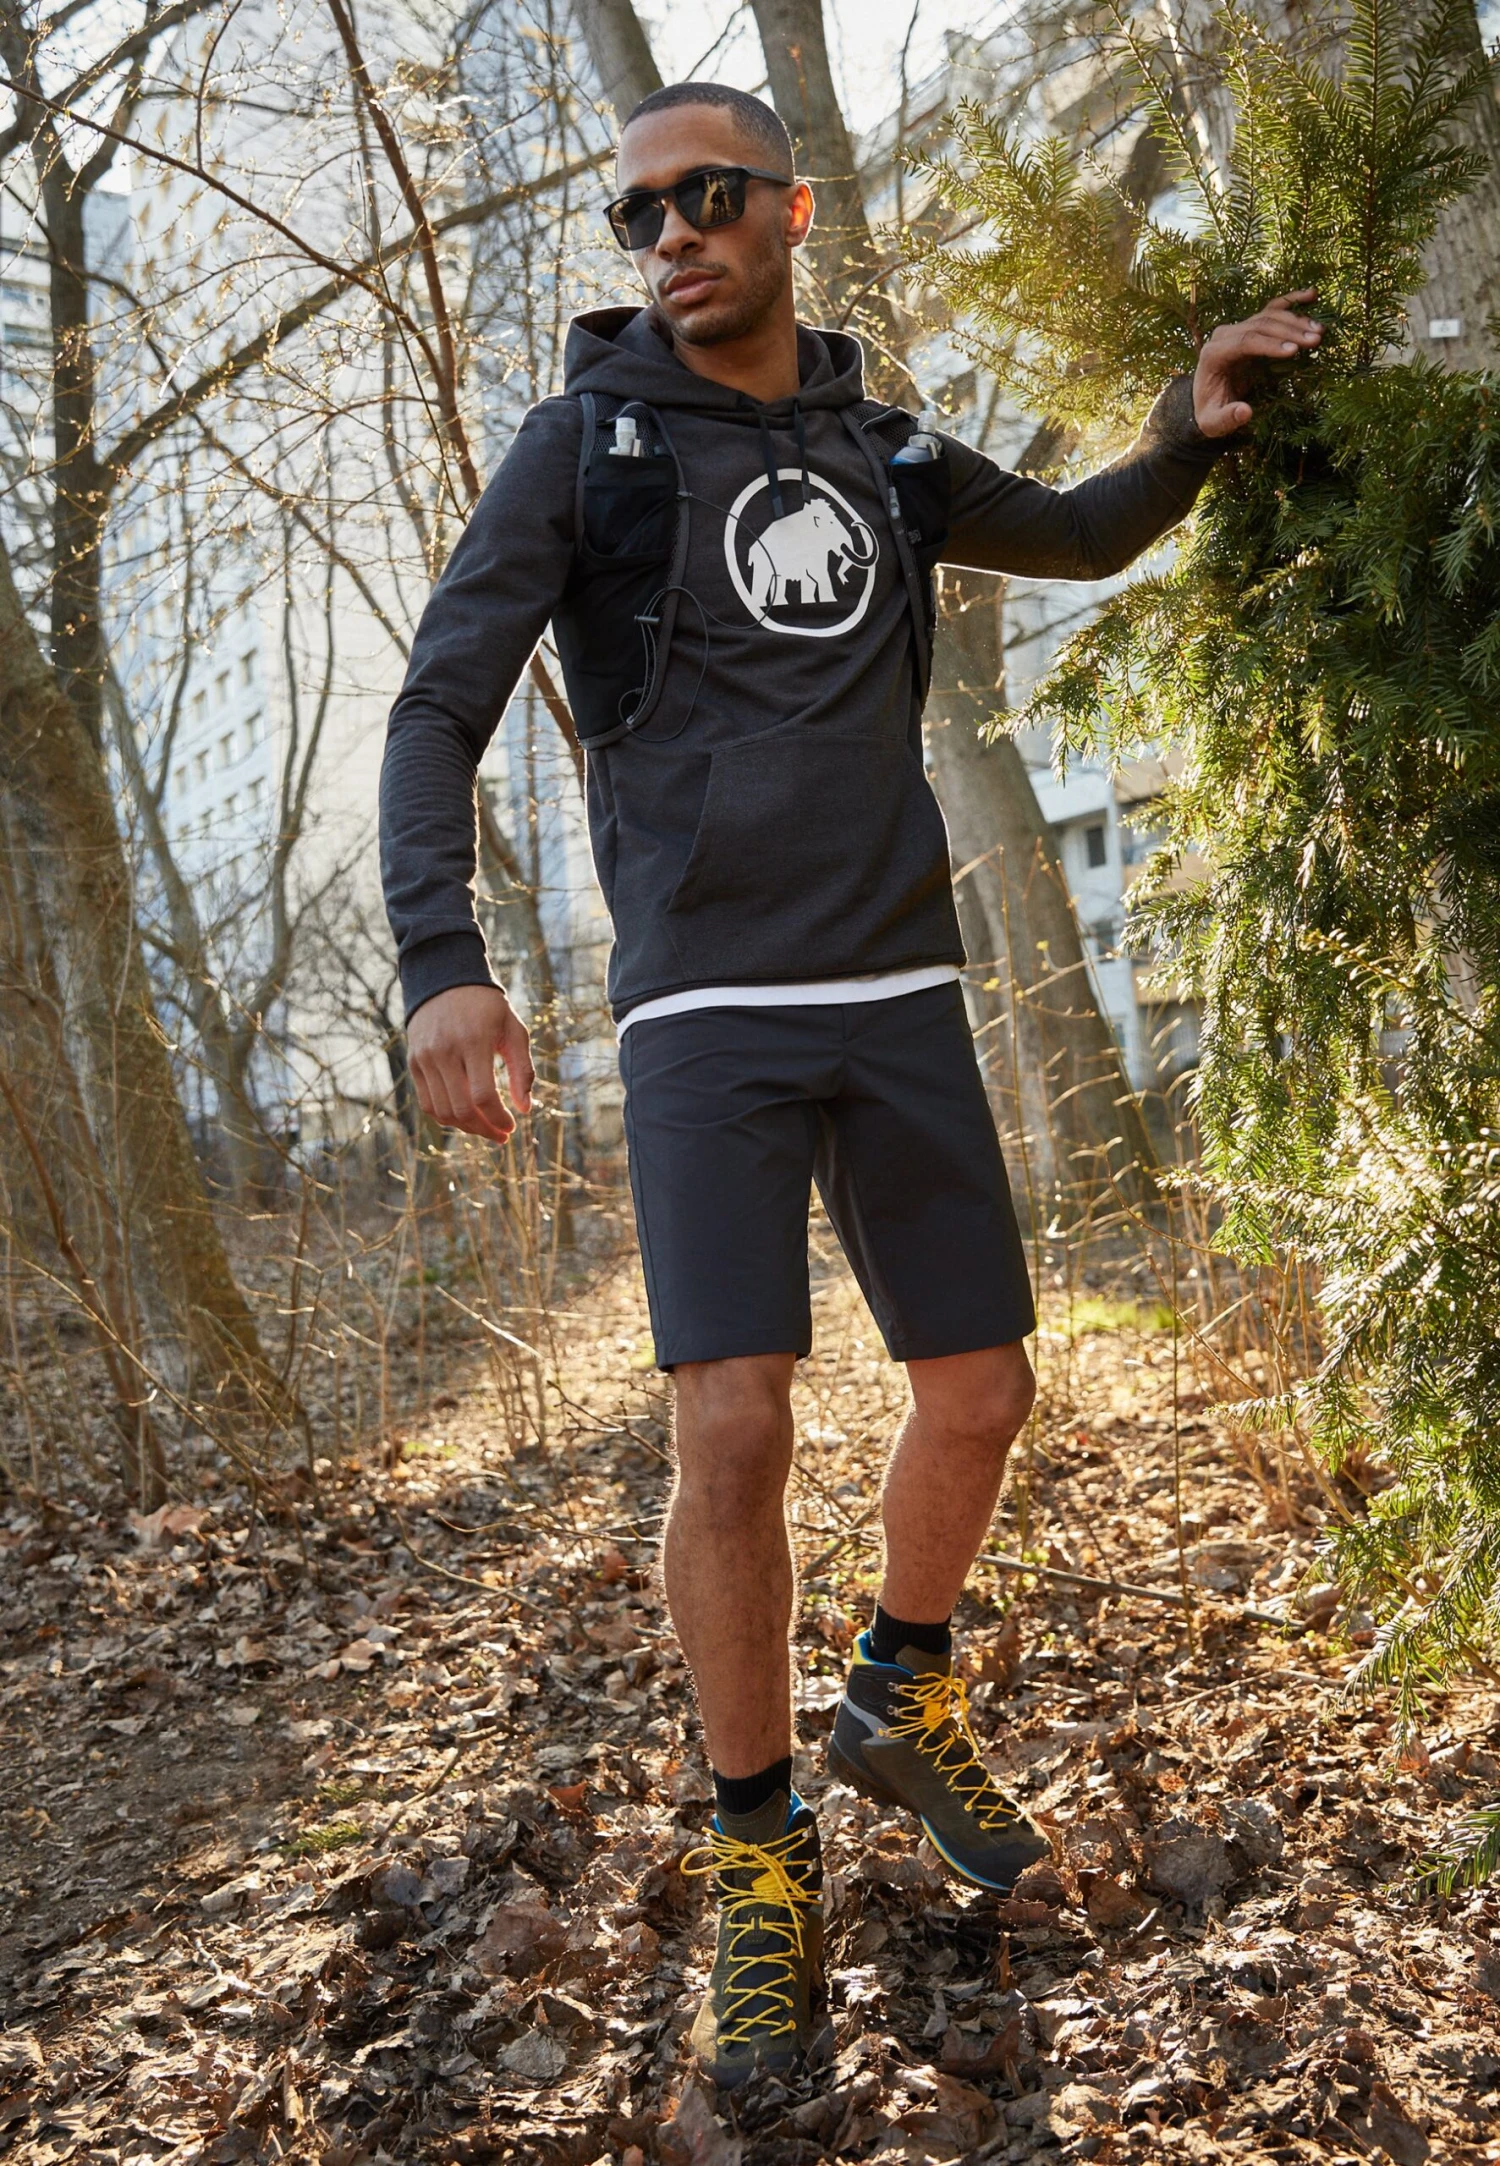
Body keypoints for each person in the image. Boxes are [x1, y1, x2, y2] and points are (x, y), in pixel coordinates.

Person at [379, 79, 1322, 2089]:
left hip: (899, 985)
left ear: (789, 211)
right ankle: (760, 1845)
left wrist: (1187, 423)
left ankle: (900, 1690)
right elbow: (439, 701)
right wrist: (441, 963)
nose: (670, 237)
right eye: (638, 214)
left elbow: (1074, 533)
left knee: (983, 1391)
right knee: (732, 1427)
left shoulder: (879, 447)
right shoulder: (584, 448)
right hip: (705, 1010)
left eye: (706, 197)